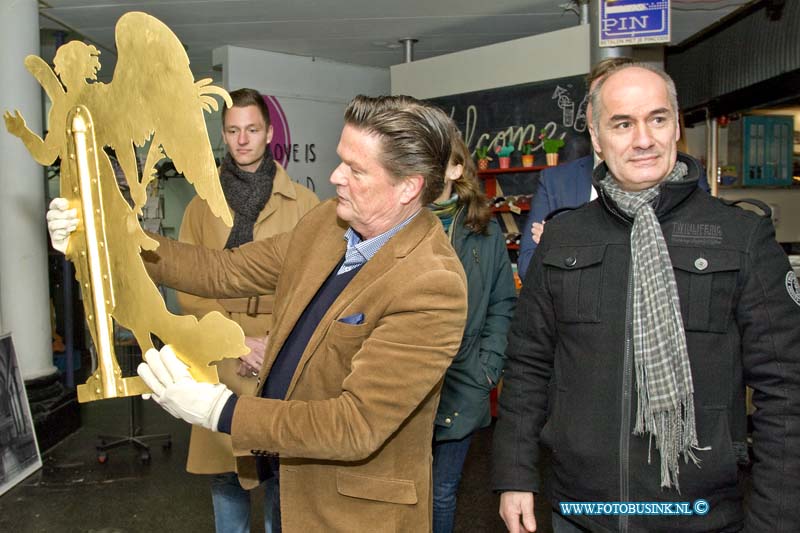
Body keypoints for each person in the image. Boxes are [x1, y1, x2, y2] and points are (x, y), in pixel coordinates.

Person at [48, 94, 468, 532]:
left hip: (351, 511)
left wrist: (220, 411)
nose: (335, 176)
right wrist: (109, 236)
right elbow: (224, 270)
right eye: (340, 160)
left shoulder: (431, 283)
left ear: (408, 186)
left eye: (356, 170)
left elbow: (355, 423)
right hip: (285, 476)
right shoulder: (327, 223)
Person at [492, 63, 800, 532]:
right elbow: (528, 364)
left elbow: (786, 388)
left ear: (676, 126)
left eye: (657, 119)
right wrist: (514, 475)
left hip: (699, 513)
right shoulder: (563, 238)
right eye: (622, 123)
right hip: (580, 510)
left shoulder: (741, 237)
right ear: (597, 137)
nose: (642, 139)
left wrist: (776, 520)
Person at [178, 88, 318, 533]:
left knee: (282, 472)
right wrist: (236, 342)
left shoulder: (306, 205)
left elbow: (316, 289)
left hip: (282, 350)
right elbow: (189, 286)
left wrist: (272, 343)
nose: (243, 140)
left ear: (269, 133)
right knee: (226, 474)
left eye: (252, 130)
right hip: (221, 352)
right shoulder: (201, 206)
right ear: (223, 134)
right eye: (234, 130)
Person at [516, 57, 711, 281]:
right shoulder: (556, 180)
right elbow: (528, 267)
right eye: (595, 96)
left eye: (656, 120)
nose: (643, 141)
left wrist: (567, 242)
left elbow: (700, 260)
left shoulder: (687, 176)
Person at [429, 130, 517, 532]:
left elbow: (502, 304)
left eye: (437, 161)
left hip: (465, 378)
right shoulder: (394, 224)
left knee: (443, 491)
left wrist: (488, 368)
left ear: (456, 169)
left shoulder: (485, 230)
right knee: (397, 488)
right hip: (404, 379)